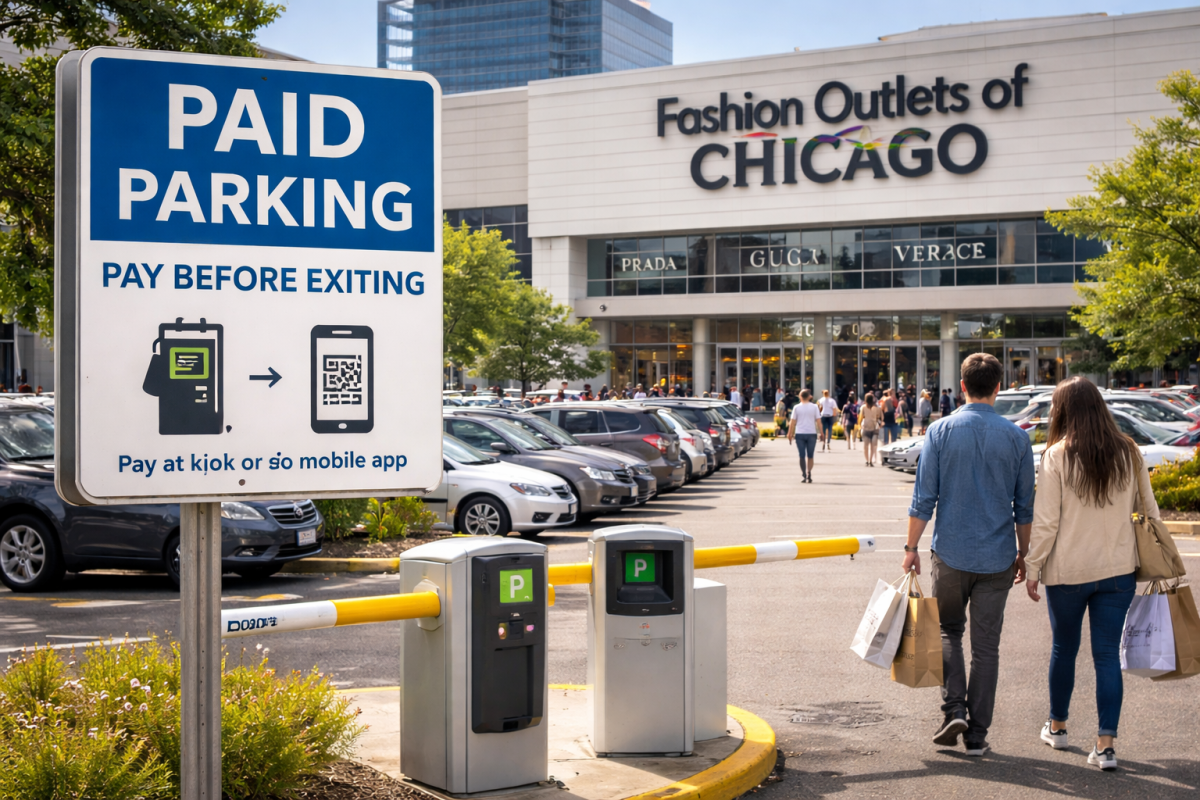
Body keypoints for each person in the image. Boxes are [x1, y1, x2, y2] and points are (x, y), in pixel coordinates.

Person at [904, 353, 1035, 757]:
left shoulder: (940, 431)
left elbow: (923, 498)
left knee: (948, 631)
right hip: (997, 556)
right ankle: (977, 734)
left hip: (951, 552)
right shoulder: (1017, 437)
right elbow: (1024, 507)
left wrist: (911, 549)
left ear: (962, 386)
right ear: (999, 387)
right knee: (986, 647)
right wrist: (1023, 554)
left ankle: (953, 709)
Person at [1024, 377, 1152, 772]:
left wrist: (1031, 567)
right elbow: (1150, 512)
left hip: (1068, 573)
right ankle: (1106, 745)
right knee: (1106, 657)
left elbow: (1045, 523)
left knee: (1065, 648)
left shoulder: (1057, 455)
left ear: (1061, 410)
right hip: (1118, 571)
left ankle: (1058, 727)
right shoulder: (1129, 451)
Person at [786, 389, 821, 483]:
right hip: (811, 433)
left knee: (801, 455)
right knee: (810, 455)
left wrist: (790, 433)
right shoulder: (814, 407)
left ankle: (804, 474)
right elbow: (819, 421)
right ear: (809, 397)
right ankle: (809, 472)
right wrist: (821, 433)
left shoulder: (796, 407)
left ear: (800, 397)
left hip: (800, 433)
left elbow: (792, 422)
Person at [859, 393, 883, 466]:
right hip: (873, 428)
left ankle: (869, 460)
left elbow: (860, 417)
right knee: (872, 446)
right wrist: (879, 425)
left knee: (866, 446)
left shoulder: (875, 408)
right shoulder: (866, 408)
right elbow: (881, 418)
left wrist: (860, 425)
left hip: (867, 428)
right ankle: (869, 460)